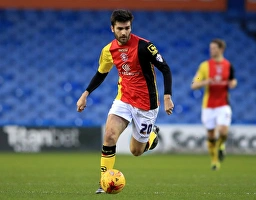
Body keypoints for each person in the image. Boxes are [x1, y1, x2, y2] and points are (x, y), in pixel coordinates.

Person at [76, 9, 174, 193]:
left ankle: (151, 135)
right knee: (110, 135)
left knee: (136, 151)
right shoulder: (108, 50)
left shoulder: (145, 47)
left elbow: (165, 69)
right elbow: (101, 73)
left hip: (146, 105)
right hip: (124, 99)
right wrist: (86, 93)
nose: (124, 32)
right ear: (112, 28)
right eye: (120, 28)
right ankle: (103, 182)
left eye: (127, 28)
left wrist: (167, 96)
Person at [191, 39, 237, 170]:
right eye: (210, 48)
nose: (212, 50)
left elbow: (233, 81)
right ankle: (215, 161)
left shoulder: (228, 65)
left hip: (223, 104)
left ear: (221, 49)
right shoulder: (204, 66)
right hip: (208, 106)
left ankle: (221, 145)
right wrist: (205, 82)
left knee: (223, 132)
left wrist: (233, 83)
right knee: (211, 136)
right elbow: (194, 84)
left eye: (214, 48)